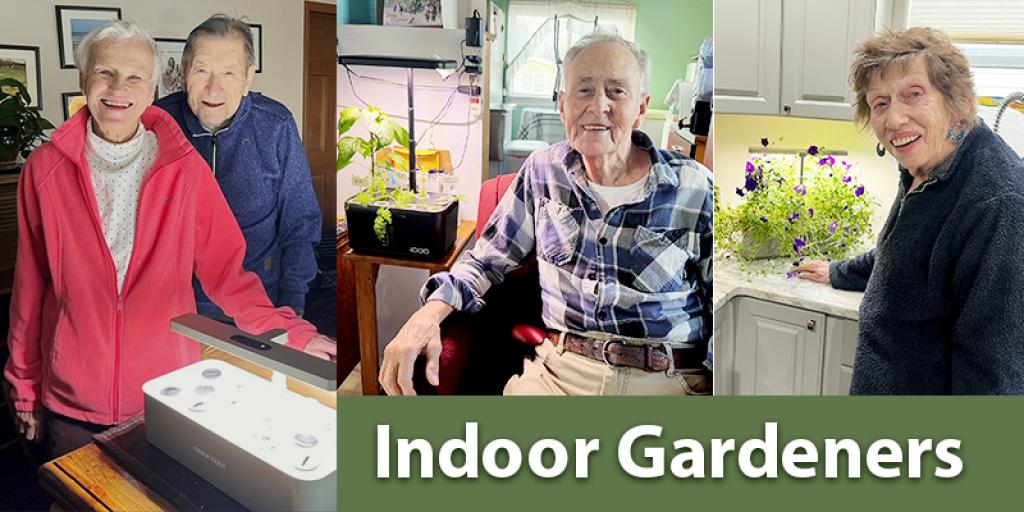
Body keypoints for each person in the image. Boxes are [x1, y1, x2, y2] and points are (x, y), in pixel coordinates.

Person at [4, 21, 335, 459]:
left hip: (166, 387)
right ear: (85, 80)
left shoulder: (185, 167)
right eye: (105, 72)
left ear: (154, 86)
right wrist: (24, 383)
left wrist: (292, 329)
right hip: (72, 394)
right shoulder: (43, 171)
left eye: (136, 76)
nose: (119, 87)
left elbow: (228, 275)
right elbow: (30, 290)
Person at [379, 32, 714, 396]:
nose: (598, 105)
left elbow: (729, 308)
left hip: (667, 379)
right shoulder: (542, 172)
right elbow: (485, 261)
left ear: (641, 108)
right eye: (583, 90)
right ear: (563, 105)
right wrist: (426, 314)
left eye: (617, 91)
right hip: (561, 373)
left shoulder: (694, 186)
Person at [794, 27, 1024, 394]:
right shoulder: (929, 166)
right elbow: (906, 257)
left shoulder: (998, 206)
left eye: (913, 95)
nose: (894, 119)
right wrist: (838, 271)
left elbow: (993, 381)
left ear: (960, 99)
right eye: (880, 103)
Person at [155, 14, 322, 321]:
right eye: (201, 70)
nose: (213, 88)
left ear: (248, 77)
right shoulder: (156, 124)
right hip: (174, 308)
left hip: (257, 306)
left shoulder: (276, 125)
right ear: (184, 72)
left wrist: (292, 307)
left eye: (229, 73)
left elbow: (300, 224)